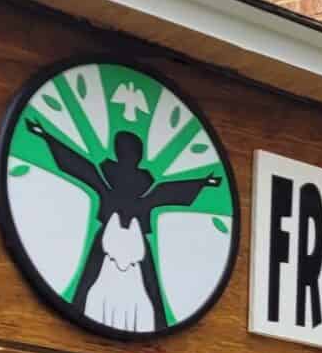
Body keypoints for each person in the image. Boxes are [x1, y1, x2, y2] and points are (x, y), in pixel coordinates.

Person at [25, 120, 223, 332]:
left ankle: (156, 323)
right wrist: (46, 136)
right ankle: (80, 308)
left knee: (146, 282)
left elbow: (166, 192)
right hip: (110, 234)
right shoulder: (123, 181)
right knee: (97, 275)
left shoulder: (126, 182)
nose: (131, 156)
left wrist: (203, 182)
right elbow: (78, 165)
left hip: (134, 239)